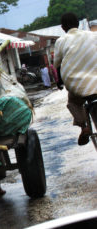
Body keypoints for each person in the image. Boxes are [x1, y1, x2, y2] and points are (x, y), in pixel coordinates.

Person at [54, 12, 97, 145]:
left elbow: (57, 65)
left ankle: (84, 126)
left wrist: (59, 82)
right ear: (78, 24)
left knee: (73, 102)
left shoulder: (61, 41)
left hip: (78, 86)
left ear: (62, 27)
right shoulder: (93, 35)